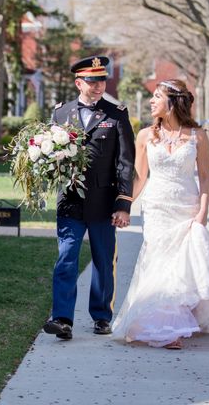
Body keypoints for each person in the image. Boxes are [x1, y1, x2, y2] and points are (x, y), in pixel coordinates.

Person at [111, 79, 209, 349]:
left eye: (157, 96)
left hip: (186, 209)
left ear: (173, 102)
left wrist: (203, 211)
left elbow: (204, 178)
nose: (152, 101)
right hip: (156, 209)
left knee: (181, 269)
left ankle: (175, 323)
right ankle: (166, 327)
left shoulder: (198, 136)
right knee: (159, 265)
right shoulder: (145, 135)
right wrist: (124, 206)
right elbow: (141, 178)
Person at [43, 56, 135, 340]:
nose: (98, 87)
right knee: (66, 258)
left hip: (104, 202)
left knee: (103, 261)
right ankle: (62, 319)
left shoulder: (116, 114)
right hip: (70, 201)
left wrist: (123, 204)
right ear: (78, 82)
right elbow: (50, 157)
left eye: (102, 81)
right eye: (93, 82)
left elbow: (125, 163)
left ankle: (101, 316)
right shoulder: (60, 114)